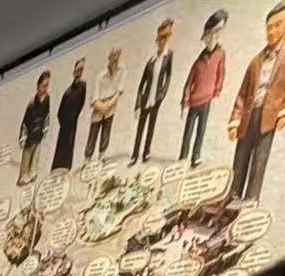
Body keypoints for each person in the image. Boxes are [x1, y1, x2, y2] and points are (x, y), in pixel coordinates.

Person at [228, 1, 285, 204]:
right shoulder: (256, 60)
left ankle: (251, 198)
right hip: (249, 114)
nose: (272, 31)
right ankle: (233, 196)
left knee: (260, 158)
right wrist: (234, 121)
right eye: (269, 27)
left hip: (269, 114)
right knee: (241, 156)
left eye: (277, 25)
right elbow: (242, 93)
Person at [180, 12, 228, 168]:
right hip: (194, 101)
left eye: (217, 32)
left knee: (201, 131)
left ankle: (196, 156)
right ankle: (183, 157)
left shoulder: (220, 55)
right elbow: (188, 84)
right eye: (210, 34)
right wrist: (185, 103)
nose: (213, 38)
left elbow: (221, 75)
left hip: (207, 101)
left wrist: (217, 94)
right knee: (188, 131)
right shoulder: (198, 62)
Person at [130, 20, 175, 166]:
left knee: (151, 127)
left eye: (165, 38)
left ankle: (146, 152)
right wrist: (137, 104)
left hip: (156, 99)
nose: (162, 42)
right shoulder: (151, 61)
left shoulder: (169, 56)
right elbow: (141, 85)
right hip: (146, 99)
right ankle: (135, 155)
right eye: (160, 39)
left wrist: (162, 94)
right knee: (140, 128)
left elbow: (168, 77)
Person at [85, 49, 126, 161]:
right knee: (94, 132)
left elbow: (119, 90)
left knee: (106, 131)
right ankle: (87, 158)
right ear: (109, 59)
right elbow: (94, 100)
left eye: (117, 58)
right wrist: (102, 107)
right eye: (113, 58)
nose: (115, 61)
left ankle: (102, 156)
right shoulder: (100, 76)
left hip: (111, 105)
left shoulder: (121, 70)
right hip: (99, 106)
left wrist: (110, 103)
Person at [17, 71, 51, 186]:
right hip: (30, 135)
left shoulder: (47, 99)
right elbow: (25, 123)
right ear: (38, 86)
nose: (45, 88)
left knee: (36, 155)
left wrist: (45, 128)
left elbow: (47, 115)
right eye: (43, 86)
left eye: (47, 85)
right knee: (27, 155)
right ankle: (23, 177)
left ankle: (32, 173)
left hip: (39, 134)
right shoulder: (31, 104)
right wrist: (23, 137)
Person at [53, 60, 88, 170]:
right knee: (61, 144)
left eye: (81, 69)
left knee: (69, 143)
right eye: (77, 69)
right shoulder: (68, 90)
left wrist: (75, 116)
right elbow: (60, 110)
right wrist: (63, 121)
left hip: (73, 120)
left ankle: (66, 166)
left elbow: (82, 102)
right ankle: (58, 166)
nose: (78, 72)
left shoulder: (83, 85)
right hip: (65, 123)